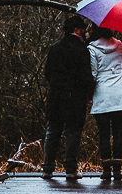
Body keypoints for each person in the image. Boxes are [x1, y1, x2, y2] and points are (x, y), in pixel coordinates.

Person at [41, 14, 97, 181]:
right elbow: (87, 76)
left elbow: (47, 72)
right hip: (75, 97)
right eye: (83, 29)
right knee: (73, 133)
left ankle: (48, 168)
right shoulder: (82, 51)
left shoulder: (55, 47)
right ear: (76, 30)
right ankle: (70, 169)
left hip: (56, 96)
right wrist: (89, 94)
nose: (86, 32)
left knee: (53, 131)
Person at [86, 25, 122, 181]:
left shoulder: (92, 49)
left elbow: (93, 73)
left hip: (102, 94)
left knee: (104, 134)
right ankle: (118, 170)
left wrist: (88, 94)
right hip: (120, 94)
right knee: (118, 133)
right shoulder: (120, 47)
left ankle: (106, 170)